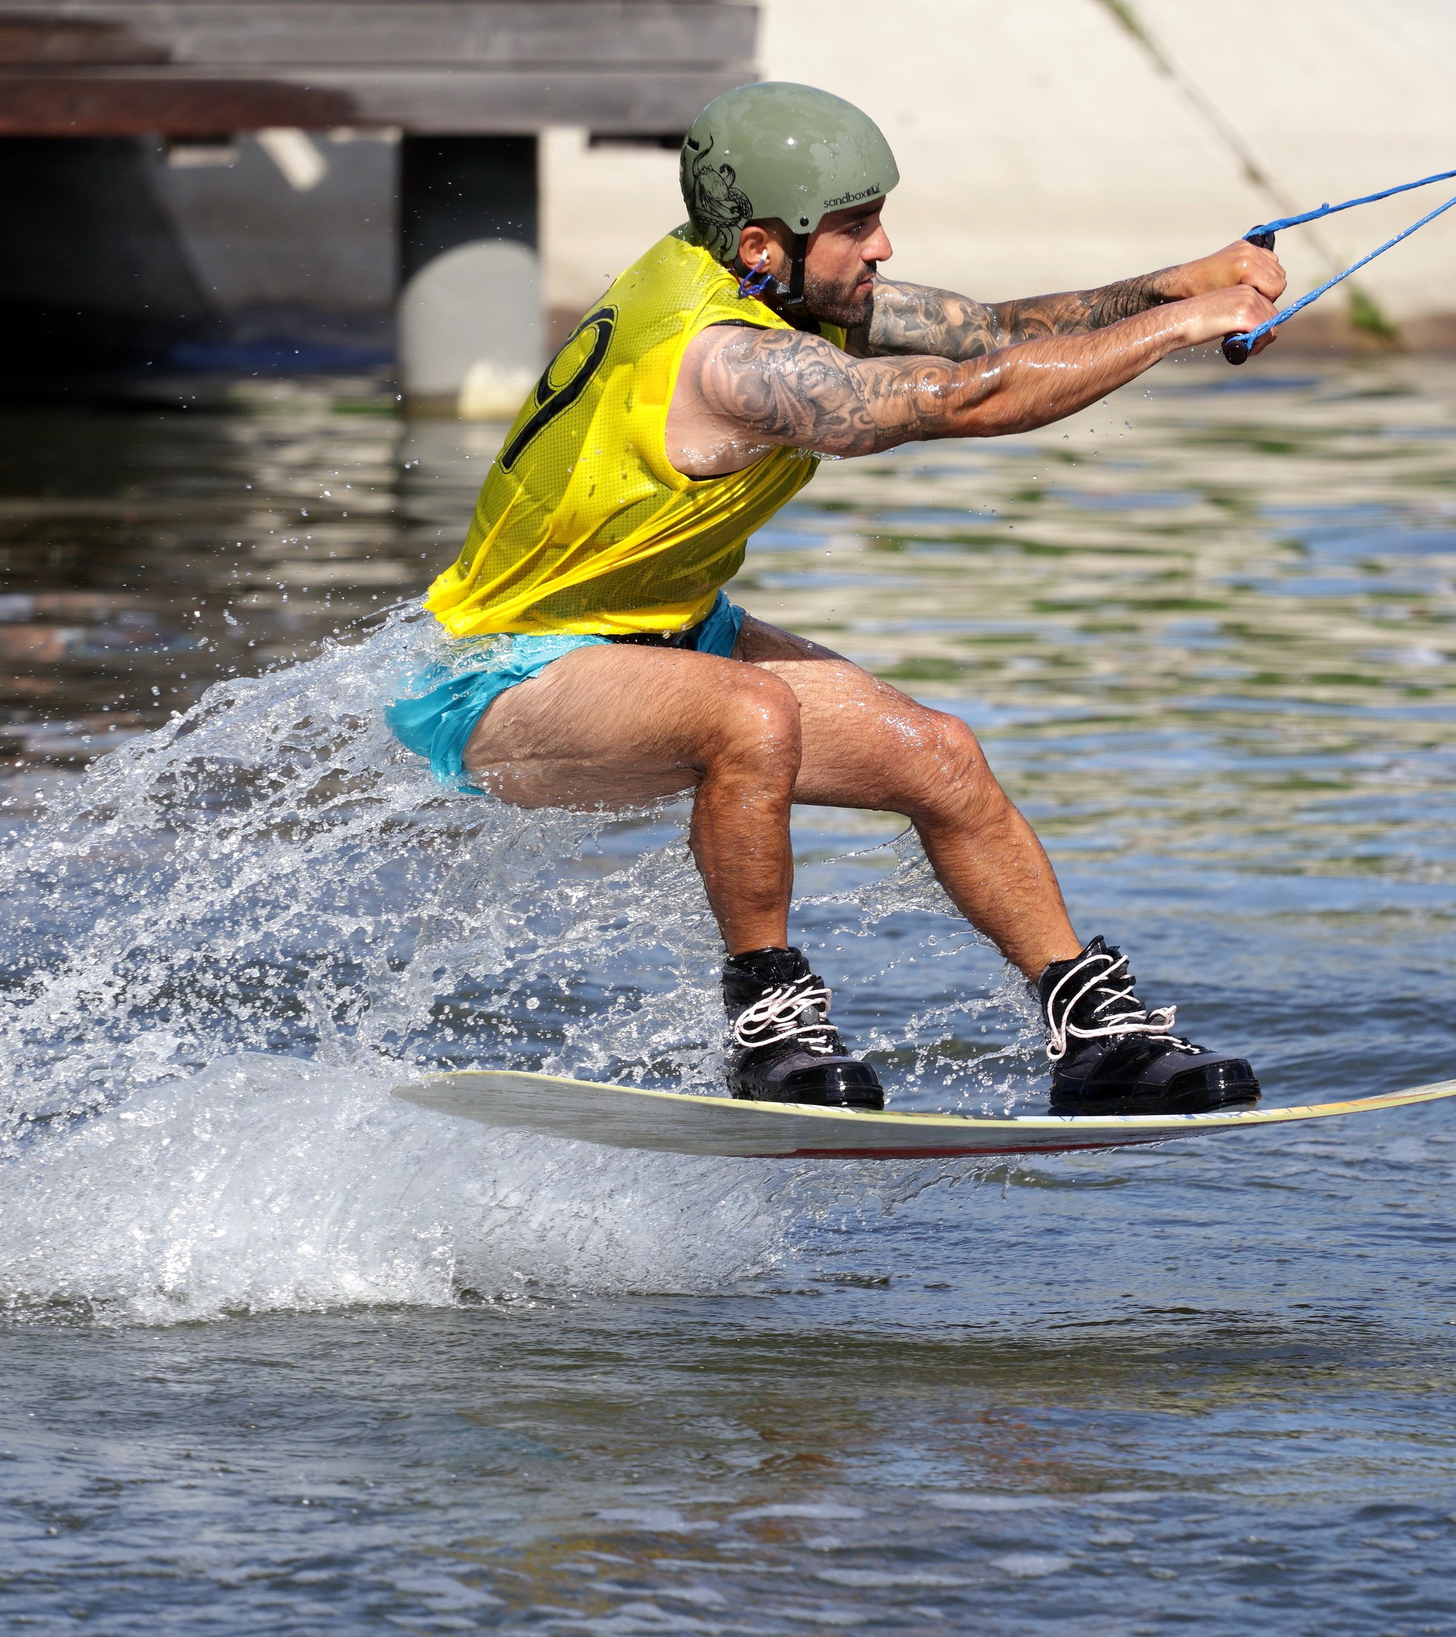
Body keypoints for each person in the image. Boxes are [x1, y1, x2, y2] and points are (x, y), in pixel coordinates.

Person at [388, 81, 1287, 1116]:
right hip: (503, 677)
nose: (884, 248)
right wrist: (1182, 332)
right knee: (748, 712)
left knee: (938, 754)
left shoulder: (782, 288)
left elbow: (987, 332)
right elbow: (973, 398)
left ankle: (1096, 1040)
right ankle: (771, 1031)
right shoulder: (722, 359)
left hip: (669, 642)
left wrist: (1178, 286)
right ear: (765, 246)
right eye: (856, 226)